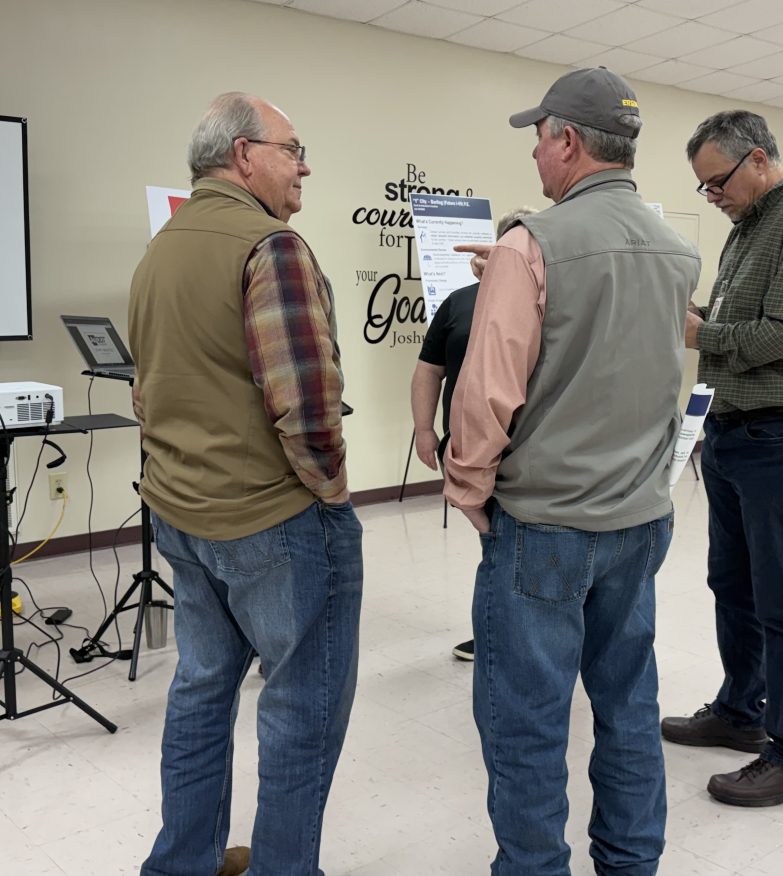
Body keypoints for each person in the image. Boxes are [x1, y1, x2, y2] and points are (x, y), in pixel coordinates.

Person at [444, 68, 701, 875]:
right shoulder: (677, 251)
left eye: (539, 137)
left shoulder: (531, 245)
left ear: (569, 141)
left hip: (545, 526)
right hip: (639, 518)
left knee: (526, 718)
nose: (534, 153)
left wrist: (468, 487)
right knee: (628, 704)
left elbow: (487, 390)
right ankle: (631, 862)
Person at [128, 92, 363, 876]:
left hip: (182, 516)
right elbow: (307, 403)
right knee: (301, 710)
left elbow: (146, 392)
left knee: (200, 692)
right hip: (273, 522)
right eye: (293, 150)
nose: (303, 168)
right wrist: (331, 493)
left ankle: (182, 862)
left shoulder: (160, 250)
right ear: (243, 155)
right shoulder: (273, 248)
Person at [661, 110, 783, 807]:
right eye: (705, 186)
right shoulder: (751, 224)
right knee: (733, 584)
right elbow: (745, 316)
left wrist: (704, 334)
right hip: (736, 431)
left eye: (717, 182)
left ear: (760, 160)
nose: (712, 196)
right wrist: (695, 314)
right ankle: (741, 711)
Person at [410, 205, 536, 662]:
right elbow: (429, 370)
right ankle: (494, 633)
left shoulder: (549, 302)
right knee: (496, 546)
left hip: (529, 450)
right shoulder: (459, 303)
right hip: (471, 448)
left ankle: (529, 634)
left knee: (526, 547)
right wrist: (424, 429)